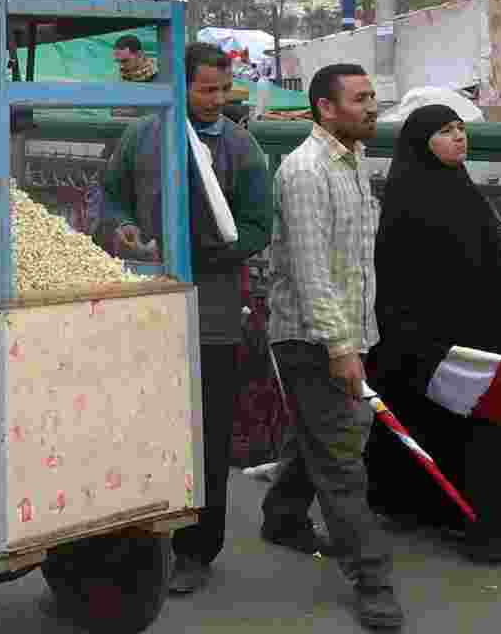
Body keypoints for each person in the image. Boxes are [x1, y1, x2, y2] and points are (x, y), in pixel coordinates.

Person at [101, 42, 272, 594]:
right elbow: (110, 198)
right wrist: (121, 227)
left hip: (213, 311)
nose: (217, 101)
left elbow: (257, 225)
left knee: (207, 432)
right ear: (179, 85)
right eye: (206, 90)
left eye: (224, 90)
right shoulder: (143, 137)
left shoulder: (242, 148)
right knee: (139, 424)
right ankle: (135, 540)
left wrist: (215, 249)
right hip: (147, 303)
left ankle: (199, 549)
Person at [364, 90, 501, 564]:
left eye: (460, 129)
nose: (458, 137)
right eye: (445, 131)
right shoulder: (407, 195)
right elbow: (399, 273)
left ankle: (482, 520)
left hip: (478, 329)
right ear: (422, 142)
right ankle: (430, 508)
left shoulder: (459, 185)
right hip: (430, 336)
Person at [263, 63, 403, 629]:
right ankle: (372, 579)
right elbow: (311, 273)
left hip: (346, 332)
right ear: (325, 107)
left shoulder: (353, 161)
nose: (371, 107)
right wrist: (343, 348)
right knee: (342, 458)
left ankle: (281, 516)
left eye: (373, 97)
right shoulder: (305, 172)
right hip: (312, 338)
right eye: (360, 98)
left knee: (317, 435)